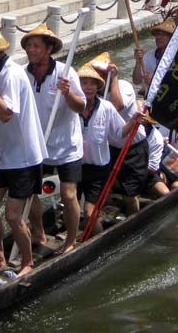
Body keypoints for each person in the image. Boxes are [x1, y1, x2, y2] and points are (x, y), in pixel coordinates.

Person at [0, 20, 46, 277]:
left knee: (13, 215)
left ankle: (27, 261)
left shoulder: (11, 74)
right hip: (4, 156)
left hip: (25, 158)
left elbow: (5, 113)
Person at [21, 24, 85, 255]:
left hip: (67, 145)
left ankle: (70, 240)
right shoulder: (23, 74)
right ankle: (39, 232)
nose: (31, 50)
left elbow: (81, 106)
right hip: (38, 144)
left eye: (36, 46)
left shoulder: (65, 73)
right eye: (28, 46)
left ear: (49, 49)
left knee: (68, 195)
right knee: (29, 192)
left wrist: (68, 93)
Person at [75, 62, 136, 231]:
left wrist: (134, 121)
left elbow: (119, 133)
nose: (87, 88)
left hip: (98, 169)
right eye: (83, 83)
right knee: (70, 206)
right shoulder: (71, 107)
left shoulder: (106, 107)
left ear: (97, 87)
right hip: (75, 166)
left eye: (92, 84)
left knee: (89, 213)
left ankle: (96, 236)